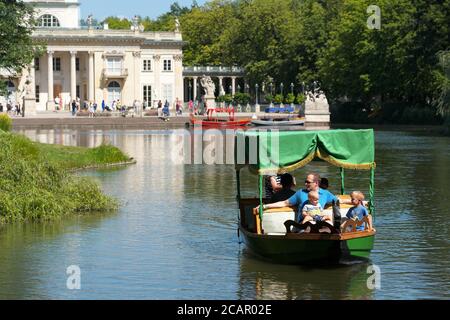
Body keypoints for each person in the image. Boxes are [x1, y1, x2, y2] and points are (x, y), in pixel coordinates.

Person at [257, 173, 337, 223]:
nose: (305, 184)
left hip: (319, 222)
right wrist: (264, 206)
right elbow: (285, 203)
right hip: (303, 224)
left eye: (308, 182)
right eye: (305, 181)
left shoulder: (325, 194)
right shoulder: (300, 192)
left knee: (328, 228)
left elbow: (338, 200)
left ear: (316, 183)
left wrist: (350, 200)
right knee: (308, 228)